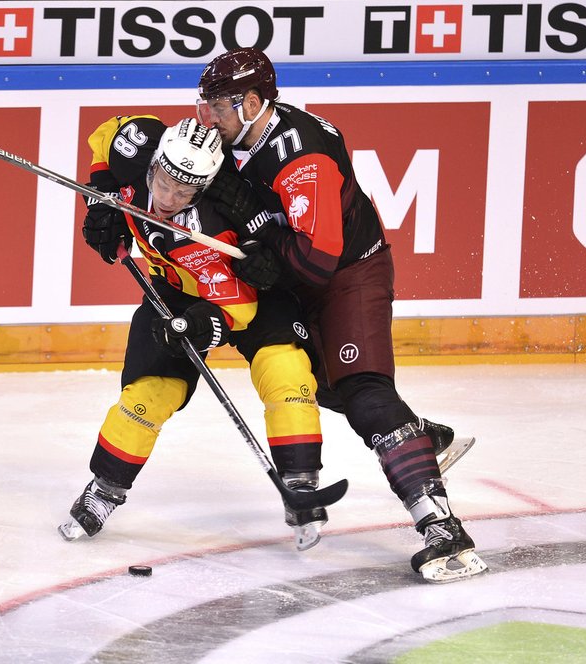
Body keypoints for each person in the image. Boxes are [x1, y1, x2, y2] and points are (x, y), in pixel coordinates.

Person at [195, 48, 487, 583]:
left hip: (348, 275)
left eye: (217, 107)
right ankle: (418, 438)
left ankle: (443, 529)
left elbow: (316, 259)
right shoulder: (236, 136)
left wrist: (262, 234)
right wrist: (103, 193)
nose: (205, 118)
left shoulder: (302, 157)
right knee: (316, 382)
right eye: (204, 105)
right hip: (299, 277)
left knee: (365, 395)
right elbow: (147, 150)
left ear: (253, 103)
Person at [58, 115, 331, 551]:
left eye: (183, 192)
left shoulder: (210, 228)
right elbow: (104, 135)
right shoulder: (140, 146)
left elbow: (237, 306)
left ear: (202, 189)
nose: (166, 199)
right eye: (163, 182)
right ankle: (105, 488)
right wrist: (103, 201)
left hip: (244, 290)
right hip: (174, 287)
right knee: (149, 393)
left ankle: (300, 481)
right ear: (154, 163)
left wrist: (206, 326)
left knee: (285, 371)